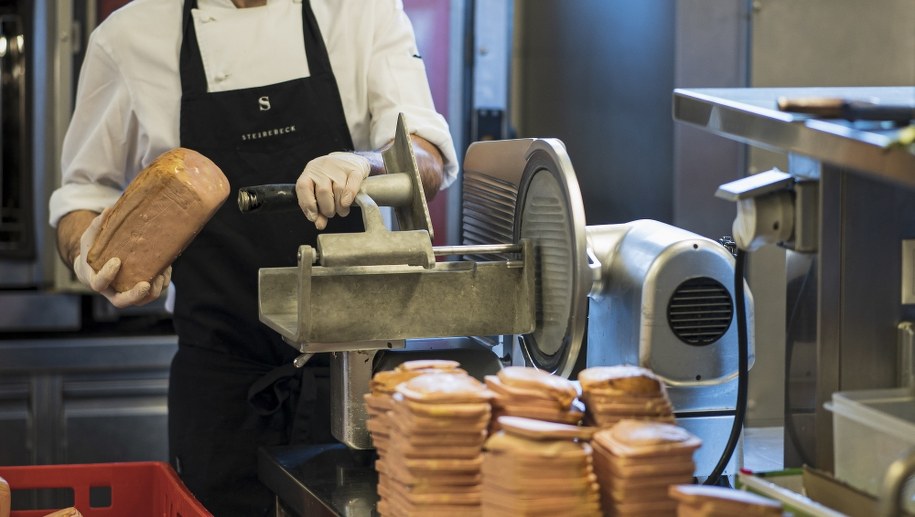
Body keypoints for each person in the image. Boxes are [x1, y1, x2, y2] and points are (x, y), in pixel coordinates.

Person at [48, 0, 458, 514]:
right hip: (222, 392)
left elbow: (427, 157)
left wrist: (365, 164)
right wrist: (89, 251)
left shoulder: (361, 10)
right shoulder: (131, 36)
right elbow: (82, 197)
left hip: (356, 383)